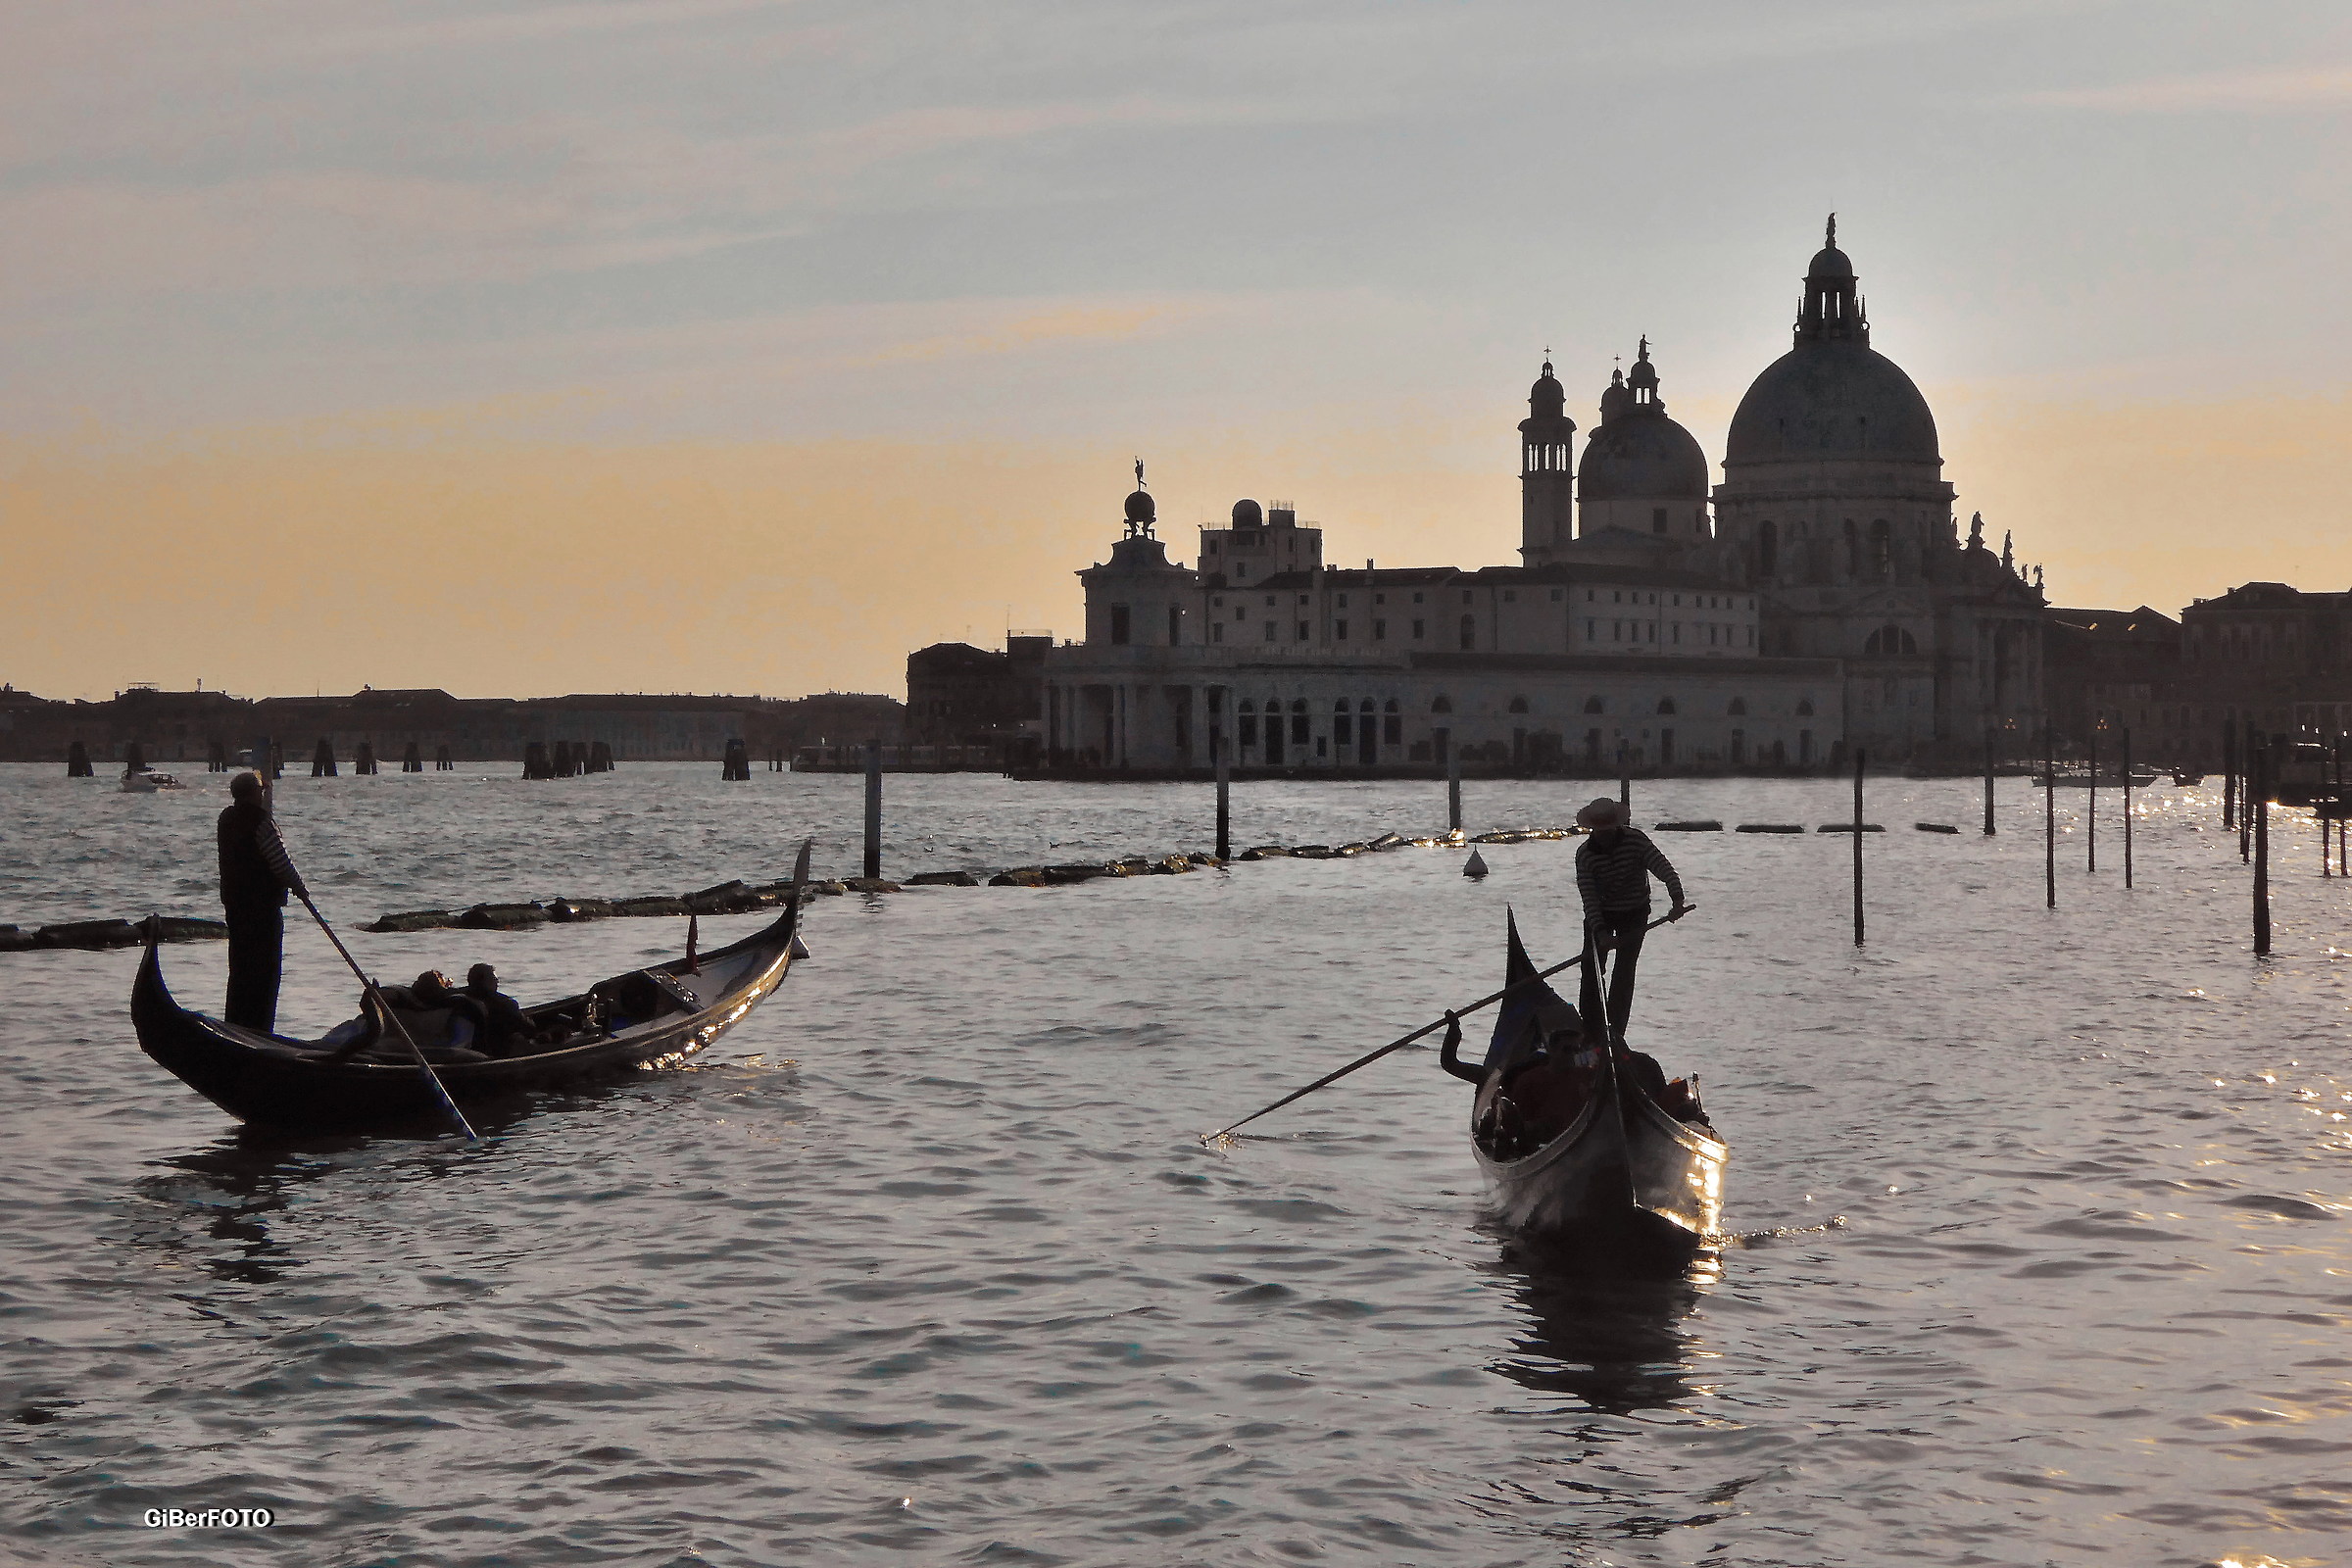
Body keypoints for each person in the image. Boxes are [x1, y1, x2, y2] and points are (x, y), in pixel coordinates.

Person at [1572, 797, 1690, 1048]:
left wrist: (1677, 901)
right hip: (1601, 914)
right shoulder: (1584, 855)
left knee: (1624, 971)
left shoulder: (1636, 841)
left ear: (1616, 826)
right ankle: (1591, 1029)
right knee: (1591, 970)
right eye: (1600, 832)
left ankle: (1615, 1032)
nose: (1604, 837)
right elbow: (1589, 897)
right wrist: (1601, 932)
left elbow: (1664, 869)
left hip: (1634, 912)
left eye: (1608, 831)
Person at [217, 770, 307, 1032]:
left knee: (241, 970)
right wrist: (299, 887)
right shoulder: (262, 822)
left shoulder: (226, 820)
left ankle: (236, 1025)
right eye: (261, 791)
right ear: (254, 793)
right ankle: (260, 1030)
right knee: (265, 974)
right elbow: (280, 862)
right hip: (263, 909)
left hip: (235, 907)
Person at [463, 963, 533, 1057]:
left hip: (469, 1050)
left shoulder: (459, 998)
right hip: (495, 1053)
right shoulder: (504, 1004)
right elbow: (528, 1028)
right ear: (484, 981)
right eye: (493, 978)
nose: (497, 982)